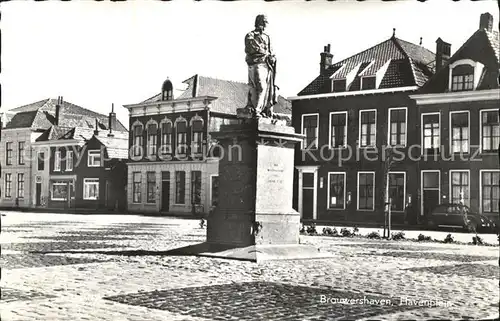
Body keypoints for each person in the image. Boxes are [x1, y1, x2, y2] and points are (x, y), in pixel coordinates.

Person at [244, 14, 278, 118]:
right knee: (259, 86)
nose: (265, 25)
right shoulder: (250, 35)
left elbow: (271, 51)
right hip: (256, 63)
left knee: (266, 88)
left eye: (266, 23)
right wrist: (264, 52)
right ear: (259, 22)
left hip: (267, 65)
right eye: (264, 22)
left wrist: (272, 57)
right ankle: (256, 110)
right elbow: (251, 47)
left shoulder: (267, 37)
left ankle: (263, 109)